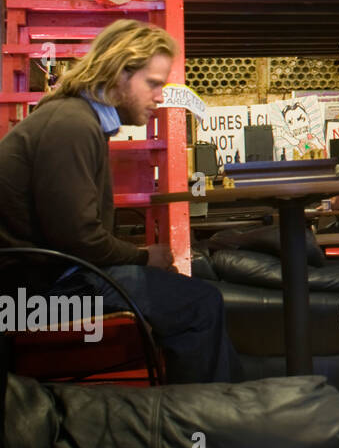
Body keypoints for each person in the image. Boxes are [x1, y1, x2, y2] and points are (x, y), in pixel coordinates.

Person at [0, 20, 240, 383]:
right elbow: (78, 239)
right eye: (153, 83)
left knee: (195, 288)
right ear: (118, 75)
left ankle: (215, 408)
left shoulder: (73, 118)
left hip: (43, 278)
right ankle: (204, 424)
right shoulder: (72, 125)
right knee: (201, 304)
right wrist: (145, 256)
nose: (160, 96)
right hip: (38, 294)